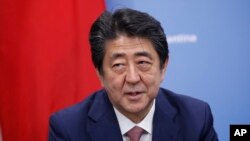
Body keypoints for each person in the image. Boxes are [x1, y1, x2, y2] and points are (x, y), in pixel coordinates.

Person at [48, 8, 218, 141]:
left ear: (163, 66)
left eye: (143, 63)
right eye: (119, 65)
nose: (132, 78)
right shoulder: (68, 128)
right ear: (100, 74)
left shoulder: (196, 118)